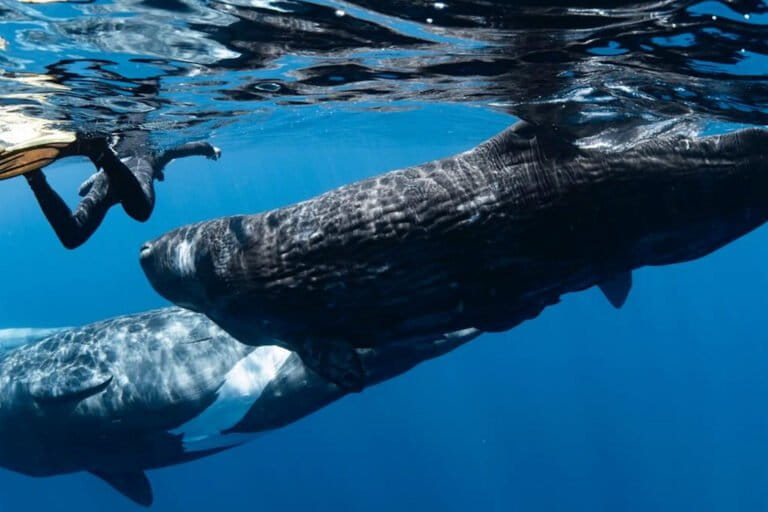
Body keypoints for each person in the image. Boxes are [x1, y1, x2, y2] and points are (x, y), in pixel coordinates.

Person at [21, 131, 220, 249]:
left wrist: (208, 149)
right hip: (112, 176)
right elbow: (175, 150)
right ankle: (36, 177)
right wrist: (208, 148)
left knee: (72, 238)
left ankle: (33, 176)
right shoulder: (152, 157)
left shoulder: (152, 159)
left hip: (106, 181)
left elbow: (82, 190)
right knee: (141, 212)